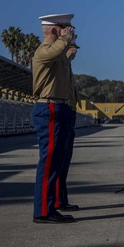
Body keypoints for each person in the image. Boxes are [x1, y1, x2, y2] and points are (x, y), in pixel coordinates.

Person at [31, 13, 78, 223]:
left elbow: (61, 57)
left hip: (60, 107)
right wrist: (65, 40)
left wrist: (68, 46)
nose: (69, 31)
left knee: (57, 161)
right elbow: (56, 51)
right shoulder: (44, 51)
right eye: (64, 27)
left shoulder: (57, 55)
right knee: (49, 162)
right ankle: (43, 211)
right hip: (49, 108)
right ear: (53, 30)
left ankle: (53, 204)